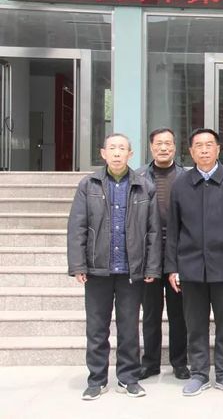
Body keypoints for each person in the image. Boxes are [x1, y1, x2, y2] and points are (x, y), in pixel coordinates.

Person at [67, 133, 161, 400]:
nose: (117, 153)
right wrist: (78, 264)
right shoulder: (88, 185)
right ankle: (96, 379)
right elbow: (77, 227)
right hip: (97, 269)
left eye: (122, 148)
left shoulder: (144, 186)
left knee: (129, 328)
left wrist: (151, 268)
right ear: (103, 153)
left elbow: (153, 232)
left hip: (131, 271)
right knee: (97, 328)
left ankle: (128, 378)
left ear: (131, 154)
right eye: (112, 148)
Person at [165, 128, 223, 397]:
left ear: (218, 149)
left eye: (209, 145)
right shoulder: (181, 183)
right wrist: (172, 267)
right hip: (190, 266)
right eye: (198, 146)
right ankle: (199, 373)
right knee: (195, 324)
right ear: (191, 152)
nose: (204, 150)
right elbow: (173, 229)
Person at [137, 127, 190, 381]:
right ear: (151, 147)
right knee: (150, 311)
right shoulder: (138, 176)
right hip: (149, 250)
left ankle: (180, 362)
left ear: (175, 147)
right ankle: (150, 363)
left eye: (168, 143)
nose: (163, 148)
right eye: (159, 143)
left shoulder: (186, 176)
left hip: (177, 249)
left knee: (179, 312)